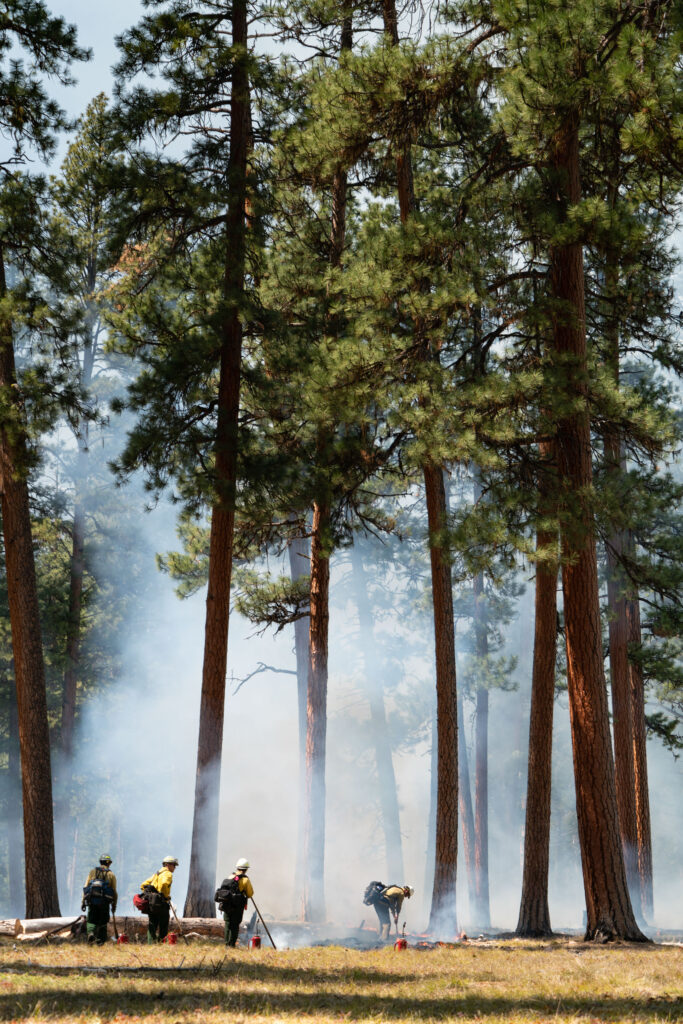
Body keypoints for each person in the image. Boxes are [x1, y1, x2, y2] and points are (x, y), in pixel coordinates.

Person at [215, 858, 254, 947]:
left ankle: (226, 944)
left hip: (227, 905)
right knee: (235, 925)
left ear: (237, 868)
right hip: (237, 906)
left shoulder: (230, 876)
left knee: (228, 924)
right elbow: (250, 893)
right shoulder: (245, 880)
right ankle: (232, 945)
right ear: (246, 869)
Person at [140, 855, 178, 943]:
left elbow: (143, 885)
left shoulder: (157, 873)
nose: (175, 867)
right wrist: (164, 896)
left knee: (152, 924)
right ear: (168, 865)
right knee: (163, 924)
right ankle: (161, 942)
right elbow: (164, 884)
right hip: (162, 903)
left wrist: (150, 894)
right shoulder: (168, 873)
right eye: (174, 865)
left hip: (152, 904)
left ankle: (151, 943)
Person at [82, 854, 117, 945]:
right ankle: (100, 942)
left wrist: (83, 902)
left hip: (92, 901)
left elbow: (86, 887)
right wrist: (114, 905)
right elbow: (114, 892)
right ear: (108, 863)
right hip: (104, 903)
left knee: (91, 920)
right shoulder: (111, 874)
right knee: (103, 922)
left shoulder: (92, 871)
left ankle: (91, 933)